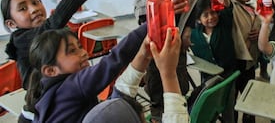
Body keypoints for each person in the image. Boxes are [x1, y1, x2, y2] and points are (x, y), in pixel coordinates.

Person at [27, 25, 188, 123]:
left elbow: (116, 101)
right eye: (72, 51)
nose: (83, 53)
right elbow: (113, 60)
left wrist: (143, 56)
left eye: (79, 46)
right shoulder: (71, 86)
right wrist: (168, 74)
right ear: (50, 71)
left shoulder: (49, 95)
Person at [1, 0, 95, 90]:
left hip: (68, 87)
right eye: (23, 8)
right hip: (44, 98)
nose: (34, 9)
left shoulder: (55, 32)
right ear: (11, 24)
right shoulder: (21, 40)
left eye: (35, 2)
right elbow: (53, 24)